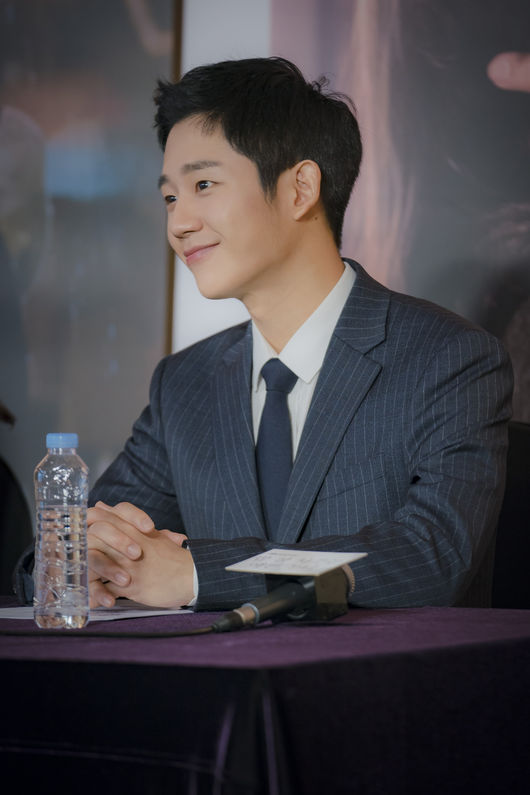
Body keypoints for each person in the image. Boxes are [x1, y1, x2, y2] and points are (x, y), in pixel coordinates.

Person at [60, 58, 514, 611]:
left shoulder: (449, 358)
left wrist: (198, 575)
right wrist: (79, 560)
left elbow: (431, 556)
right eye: (171, 197)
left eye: (203, 185)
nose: (178, 223)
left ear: (301, 188)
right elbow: (68, 545)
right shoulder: (184, 383)